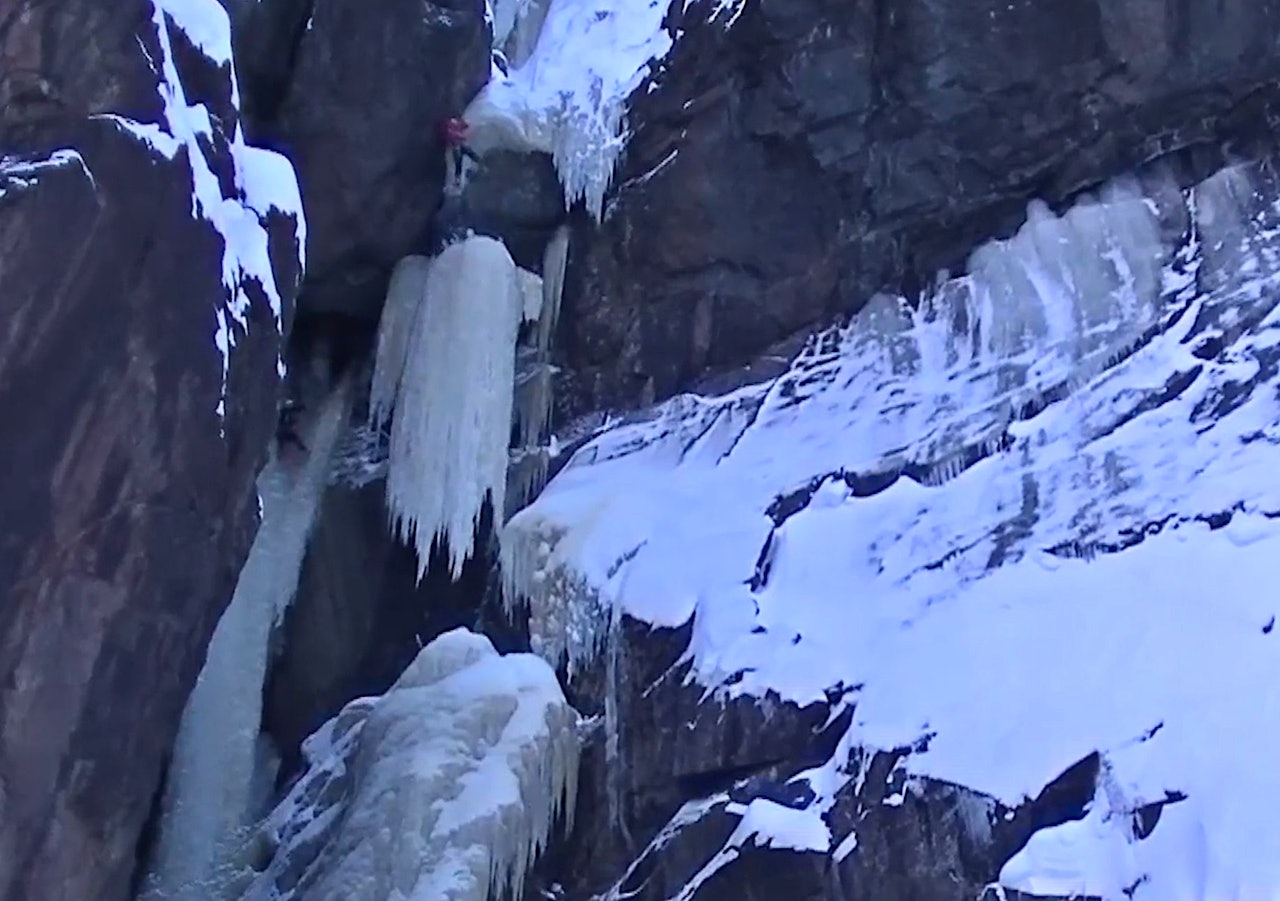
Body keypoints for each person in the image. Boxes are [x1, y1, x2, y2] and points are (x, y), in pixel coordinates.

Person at [440, 116, 480, 193]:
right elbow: (457, 134)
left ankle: (458, 179)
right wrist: (462, 136)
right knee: (459, 162)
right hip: (457, 146)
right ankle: (457, 180)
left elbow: (465, 125)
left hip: (459, 146)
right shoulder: (451, 129)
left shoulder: (454, 125)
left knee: (467, 157)